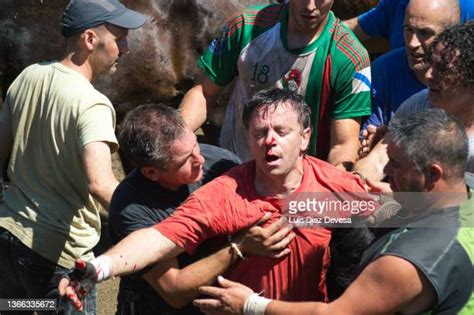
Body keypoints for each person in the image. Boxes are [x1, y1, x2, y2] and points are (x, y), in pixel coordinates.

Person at [60, 88, 375, 309]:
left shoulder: (332, 189)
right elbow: (158, 239)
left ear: (305, 137)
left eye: (282, 131)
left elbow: (401, 221)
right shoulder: (226, 192)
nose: (270, 142)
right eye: (259, 133)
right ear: (248, 139)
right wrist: (99, 267)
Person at [193, 108, 474, 315]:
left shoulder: (409, 261)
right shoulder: (465, 189)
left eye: (397, 165)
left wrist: (249, 304)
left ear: (433, 174)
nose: (386, 172)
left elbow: (336, 314)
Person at [0, 0, 146, 312]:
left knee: (18, 308)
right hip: (58, 261)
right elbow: (100, 184)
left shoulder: (27, 76)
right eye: (120, 37)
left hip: (10, 240)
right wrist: (149, 223)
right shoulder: (93, 104)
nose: (127, 47)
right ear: (90, 40)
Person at [110, 103, 296, 314]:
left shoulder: (221, 163)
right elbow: (174, 291)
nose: (201, 159)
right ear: (152, 172)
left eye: (195, 145)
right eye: (185, 160)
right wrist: (238, 247)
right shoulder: (131, 208)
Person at [179, 0, 372, 169]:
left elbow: (343, 145)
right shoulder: (244, 26)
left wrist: (326, 191)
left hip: (297, 186)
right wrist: (175, 141)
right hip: (232, 167)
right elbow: (203, 93)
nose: (311, 6)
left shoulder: (350, 58)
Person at [355, 22, 474, 181]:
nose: (429, 76)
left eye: (443, 70)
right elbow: (377, 162)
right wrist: (354, 186)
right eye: (432, 64)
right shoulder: (420, 104)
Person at [363, 0, 460, 128]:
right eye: (408, 29)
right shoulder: (383, 72)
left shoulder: (465, 80)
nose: (412, 43)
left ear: (452, 35)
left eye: (425, 33)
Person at [343, 0, 473, 51]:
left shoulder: (467, 8)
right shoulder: (398, 3)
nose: (412, 43)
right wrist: (322, 29)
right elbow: (354, 28)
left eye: (425, 32)